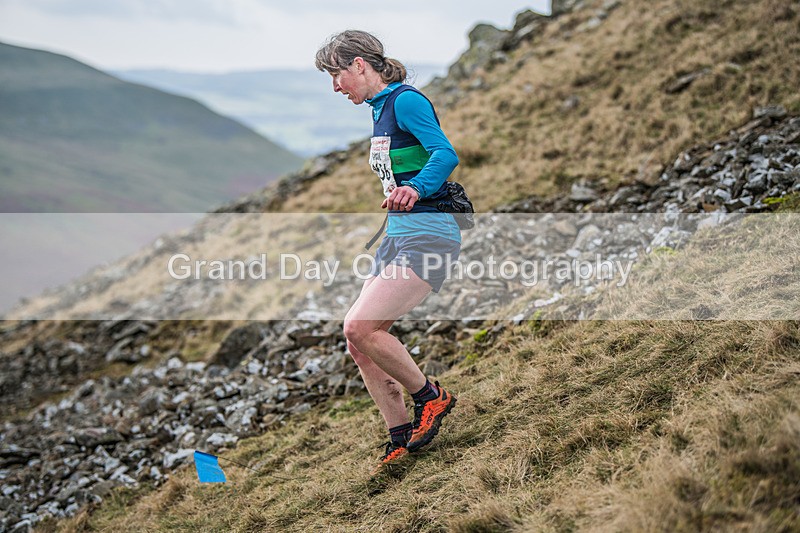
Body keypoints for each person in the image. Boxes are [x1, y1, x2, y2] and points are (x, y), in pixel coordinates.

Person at [316, 30, 461, 474]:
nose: (336, 87)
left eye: (337, 75)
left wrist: (415, 188)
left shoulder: (405, 102)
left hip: (429, 234)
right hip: (397, 236)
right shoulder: (380, 108)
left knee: (361, 326)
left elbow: (445, 153)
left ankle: (430, 398)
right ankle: (399, 434)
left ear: (359, 64)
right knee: (357, 340)